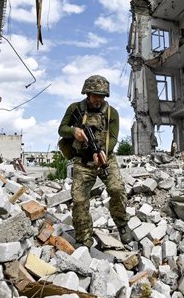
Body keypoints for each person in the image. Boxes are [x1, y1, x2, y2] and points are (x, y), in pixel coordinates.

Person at [58, 74, 130, 247]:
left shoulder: (112, 113)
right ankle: (84, 238)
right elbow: (62, 129)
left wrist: (102, 152)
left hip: (105, 158)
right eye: (95, 95)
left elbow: (113, 138)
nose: (98, 99)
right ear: (87, 94)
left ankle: (122, 224)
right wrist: (74, 131)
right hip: (83, 162)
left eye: (102, 96)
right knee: (79, 199)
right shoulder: (75, 109)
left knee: (117, 189)